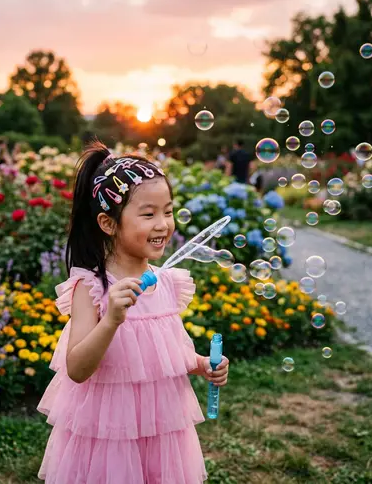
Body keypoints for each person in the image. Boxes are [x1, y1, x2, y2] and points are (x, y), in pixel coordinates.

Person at [37, 140, 230, 483]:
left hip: (161, 427)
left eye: (168, 211)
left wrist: (201, 364)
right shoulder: (93, 287)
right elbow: (78, 369)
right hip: (108, 434)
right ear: (108, 224)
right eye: (148, 214)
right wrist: (110, 319)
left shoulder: (167, 282)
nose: (163, 224)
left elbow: (166, 353)